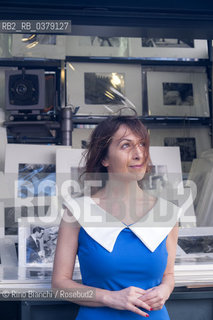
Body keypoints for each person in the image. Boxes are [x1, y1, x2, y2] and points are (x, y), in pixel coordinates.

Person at [52, 115, 181, 319]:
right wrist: (109, 298)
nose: (139, 154)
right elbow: (60, 285)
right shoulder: (77, 212)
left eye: (142, 144)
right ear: (104, 159)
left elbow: (168, 275)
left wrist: (164, 290)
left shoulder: (168, 213)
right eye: (125, 146)